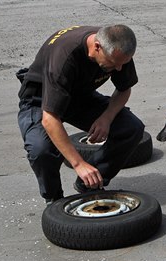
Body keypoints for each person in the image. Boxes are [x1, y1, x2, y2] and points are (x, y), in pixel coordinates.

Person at [16, 25, 144, 204]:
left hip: (79, 96)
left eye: (123, 63)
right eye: (114, 63)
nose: (120, 68)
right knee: (41, 149)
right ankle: (55, 200)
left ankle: (90, 183)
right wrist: (79, 164)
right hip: (40, 98)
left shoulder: (118, 49)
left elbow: (124, 89)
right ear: (97, 47)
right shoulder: (64, 58)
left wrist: (106, 118)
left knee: (131, 128)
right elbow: (50, 118)